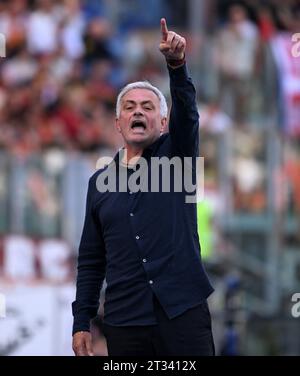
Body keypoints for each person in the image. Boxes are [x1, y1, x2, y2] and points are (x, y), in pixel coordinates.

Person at [72, 18, 215, 356]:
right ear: (118, 123)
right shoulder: (100, 182)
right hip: (124, 321)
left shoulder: (178, 158)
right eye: (130, 107)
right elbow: (92, 259)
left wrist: (176, 66)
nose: (138, 112)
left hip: (182, 315)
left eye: (148, 107)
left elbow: (188, 115)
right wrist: (82, 321)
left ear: (163, 123)